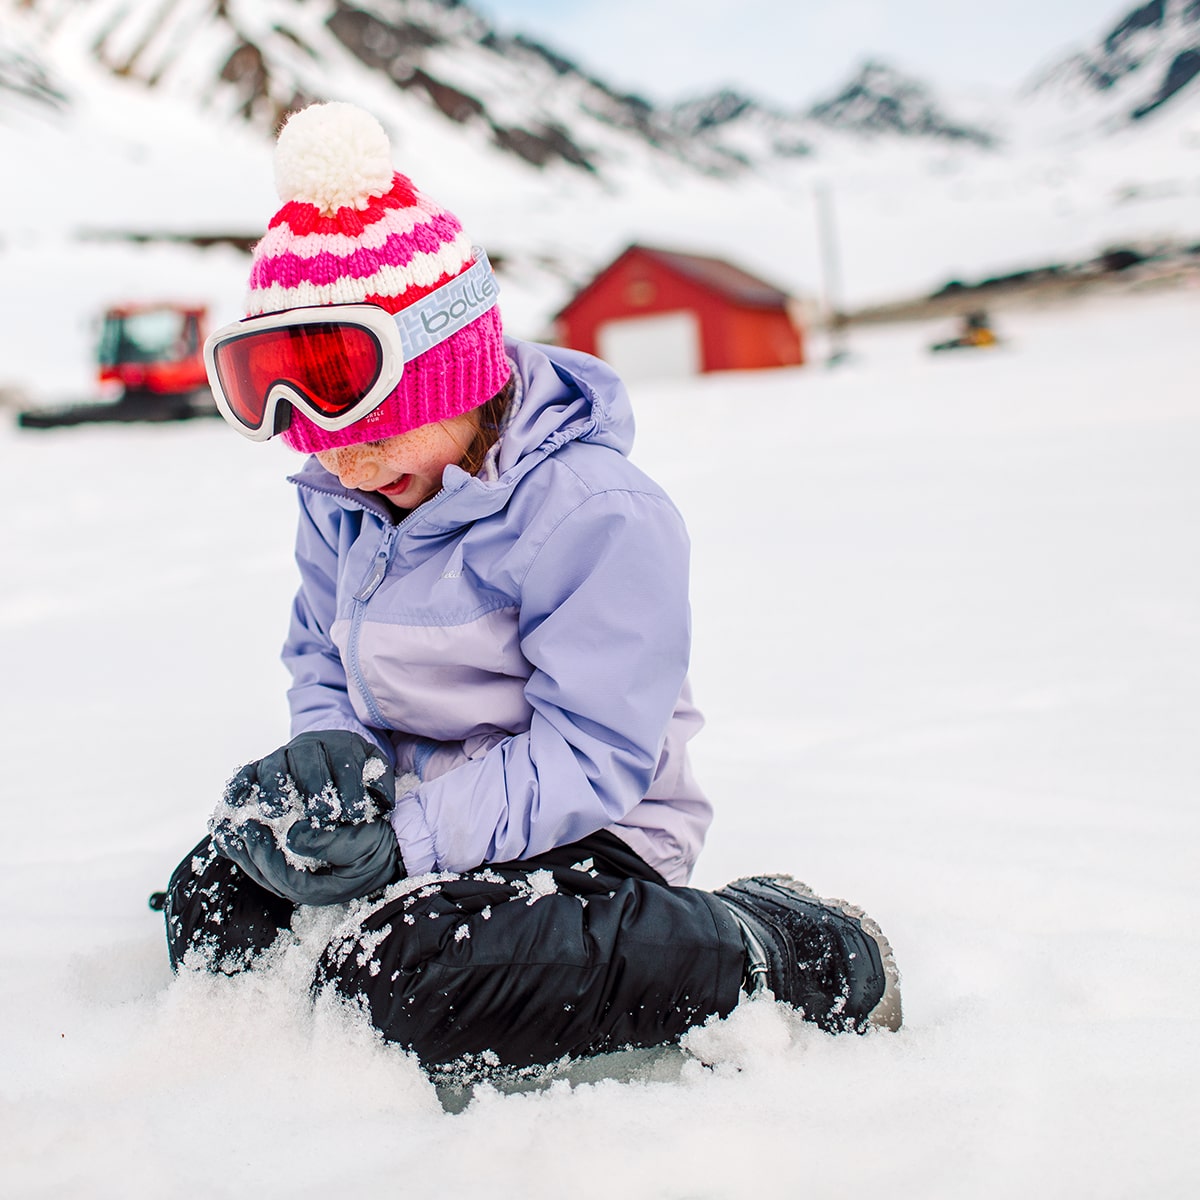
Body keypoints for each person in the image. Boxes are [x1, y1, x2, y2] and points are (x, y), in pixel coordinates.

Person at [162, 101, 901, 1078]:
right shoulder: (345, 493)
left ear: (455, 380)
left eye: (375, 435)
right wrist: (327, 755)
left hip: (589, 836)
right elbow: (318, 655)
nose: (343, 470)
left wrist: (404, 846)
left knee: (411, 984)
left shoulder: (595, 515)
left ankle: (775, 946)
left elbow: (594, 750)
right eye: (317, 443)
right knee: (215, 896)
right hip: (411, 821)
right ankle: (338, 967)